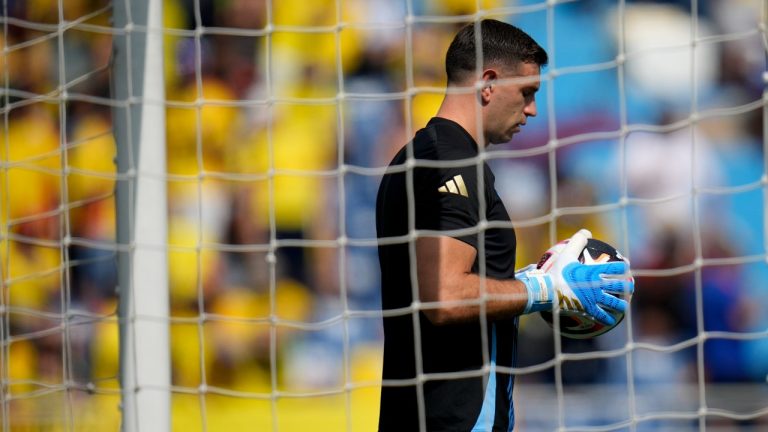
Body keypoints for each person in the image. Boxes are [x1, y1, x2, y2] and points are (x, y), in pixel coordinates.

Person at [375, 19, 634, 431]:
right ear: (488, 83)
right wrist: (545, 289)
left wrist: (529, 280)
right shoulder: (450, 163)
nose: (532, 110)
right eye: (527, 93)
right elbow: (444, 296)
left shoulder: (426, 154)